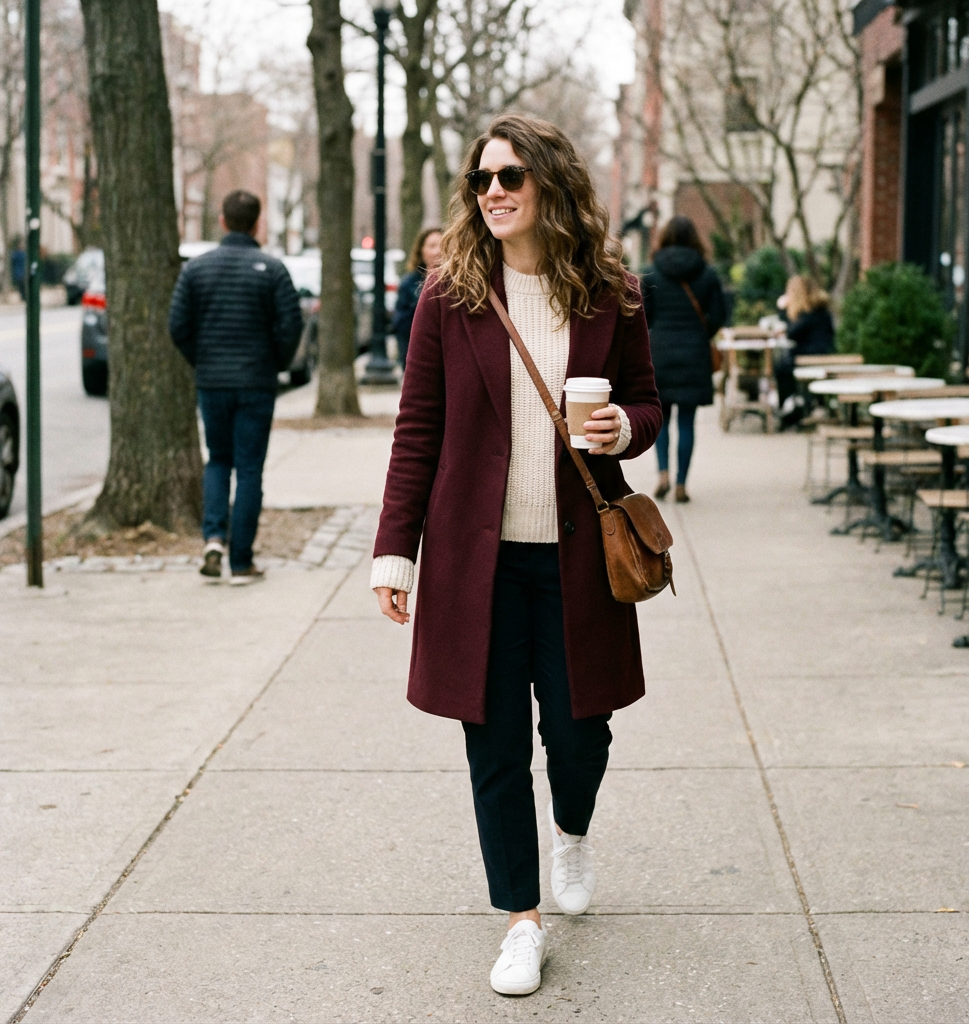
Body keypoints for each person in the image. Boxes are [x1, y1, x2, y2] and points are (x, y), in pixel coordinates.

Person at [370, 113, 661, 996]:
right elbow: (416, 430)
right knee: (493, 747)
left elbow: (649, 402)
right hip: (478, 566)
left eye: (510, 176)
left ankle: (571, 829)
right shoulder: (449, 295)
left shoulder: (611, 290)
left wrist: (623, 429)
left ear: (549, 183)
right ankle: (520, 921)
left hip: (579, 562)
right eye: (481, 179)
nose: (492, 191)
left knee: (579, 735)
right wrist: (395, 552)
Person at [168, 190, 302, 583]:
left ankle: (213, 538)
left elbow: (178, 325)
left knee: (218, 459)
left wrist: (202, 359)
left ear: (223, 221)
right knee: (248, 468)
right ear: (257, 223)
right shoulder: (273, 270)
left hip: (212, 382)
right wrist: (274, 363)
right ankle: (241, 560)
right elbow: (291, 326)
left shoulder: (196, 270)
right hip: (256, 383)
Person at [642, 216, 726, 504]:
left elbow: (643, 316)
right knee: (687, 422)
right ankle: (681, 484)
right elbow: (719, 315)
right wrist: (702, 332)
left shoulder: (652, 273)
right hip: (694, 354)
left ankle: (663, 474)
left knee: (661, 419)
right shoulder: (707, 274)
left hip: (660, 354)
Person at [775, 274, 835, 426]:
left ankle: (790, 408)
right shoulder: (821, 310)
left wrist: (782, 310)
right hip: (823, 354)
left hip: (811, 357)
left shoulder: (809, 313)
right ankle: (799, 405)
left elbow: (792, 333)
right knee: (783, 365)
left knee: (781, 368)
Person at [392, 226, 443, 369]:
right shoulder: (409, 284)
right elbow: (400, 323)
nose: (438, 251)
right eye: (432, 246)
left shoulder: (459, 282)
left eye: (443, 245)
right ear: (421, 251)